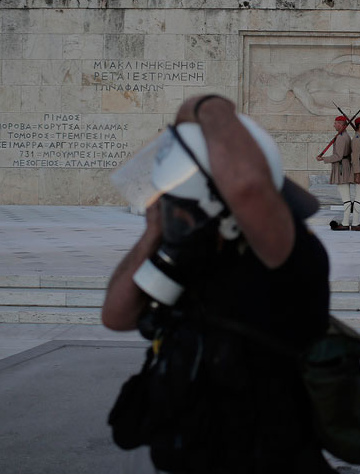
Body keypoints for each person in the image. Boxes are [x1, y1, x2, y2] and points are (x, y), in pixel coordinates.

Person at [103, 94, 334, 473]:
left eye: (177, 205)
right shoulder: (194, 255)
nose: (167, 211)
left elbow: (247, 186)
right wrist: (154, 234)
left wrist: (204, 105)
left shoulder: (290, 259)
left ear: (219, 208)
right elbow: (116, 315)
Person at [316, 115, 354, 231]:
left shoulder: (342, 137)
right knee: (345, 196)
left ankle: (345, 223)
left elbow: (338, 156)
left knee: (346, 197)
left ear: (342, 124)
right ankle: (346, 221)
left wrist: (324, 159)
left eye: (336, 123)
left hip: (342, 168)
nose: (334, 125)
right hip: (343, 167)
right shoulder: (343, 136)